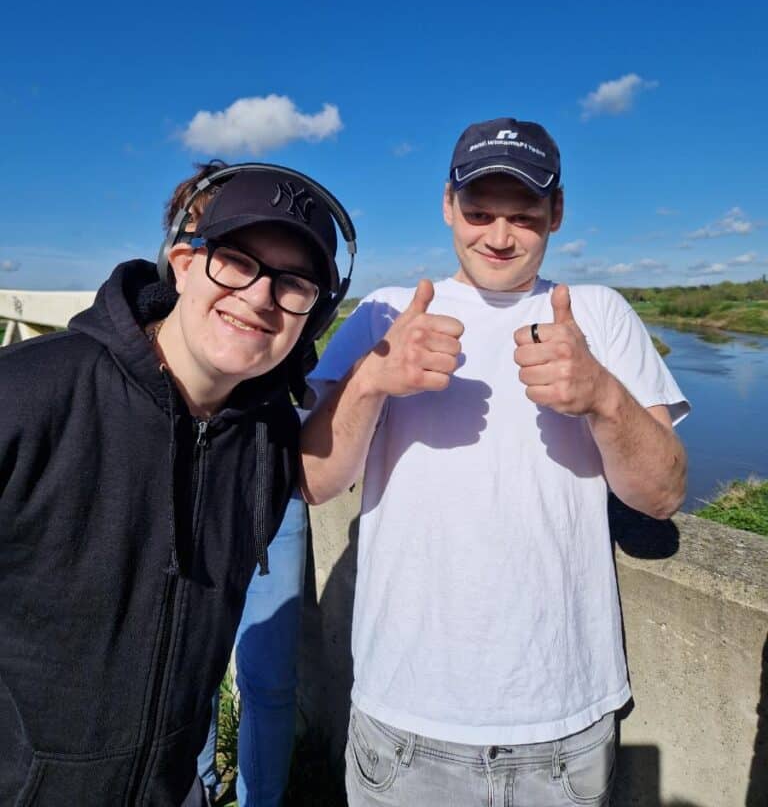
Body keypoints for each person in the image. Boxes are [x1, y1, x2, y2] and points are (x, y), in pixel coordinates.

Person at [301, 117, 689, 806]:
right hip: (403, 719)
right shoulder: (385, 315)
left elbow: (662, 495)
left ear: (557, 213)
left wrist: (602, 396)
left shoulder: (598, 314)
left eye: (524, 216)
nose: (500, 236)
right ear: (448, 206)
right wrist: (370, 381)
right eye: (480, 212)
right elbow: (313, 480)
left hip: (565, 726)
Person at [0, 163, 351, 806]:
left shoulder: (267, 435)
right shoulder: (26, 394)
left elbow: (322, 476)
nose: (260, 297)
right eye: (237, 262)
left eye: (294, 284)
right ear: (184, 264)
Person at [168, 164, 308, 807]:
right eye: (228, 250)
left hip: (271, 492)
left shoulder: (280, 313)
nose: (252, 284)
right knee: (183, 671)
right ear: (183, 252)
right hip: (185, 493)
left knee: (270, 679)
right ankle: (192, 787)